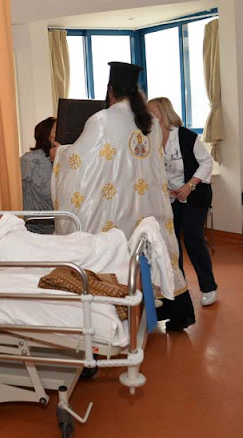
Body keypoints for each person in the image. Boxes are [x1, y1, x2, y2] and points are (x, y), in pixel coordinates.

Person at [51, 62, 195, 331]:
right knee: (158, 250)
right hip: (148, 206)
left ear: (110, 90)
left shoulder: (101, 120)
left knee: (115, 256)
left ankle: (117, 314)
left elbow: (80, 162)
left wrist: (59, 153)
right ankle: (179, 310)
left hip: (117, 208)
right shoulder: (150, 123)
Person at [148, 97, 218, 306]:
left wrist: (189, 186)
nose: (148, 116)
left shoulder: (186, 136)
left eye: (152, 112)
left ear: (163, 113)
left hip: (195, 194)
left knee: (193, 238)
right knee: (171, 241)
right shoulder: (150, 139)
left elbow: (207, 163)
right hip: (171, 197)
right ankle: (179, 287)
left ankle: (209, 287)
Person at [20, 116, 59, 234]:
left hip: (51, 226)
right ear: (46, 135)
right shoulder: (36, 160)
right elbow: (51, 195)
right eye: (56, 132)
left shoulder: (52, 160)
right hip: (39, 228)